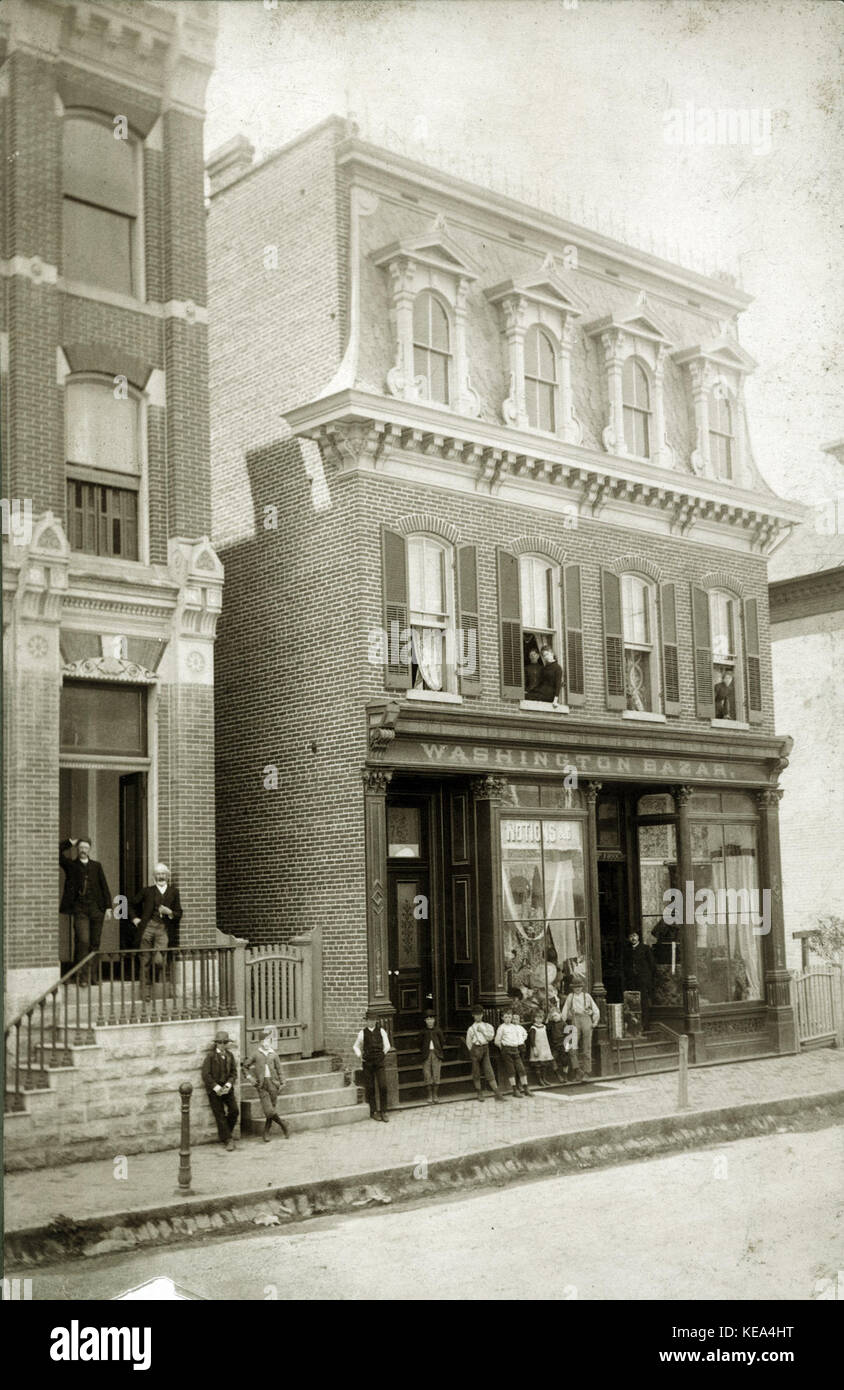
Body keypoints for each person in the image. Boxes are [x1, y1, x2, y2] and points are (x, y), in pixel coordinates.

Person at [58, 836, 114, 984]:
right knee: (83, 941)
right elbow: (56, 852)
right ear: (78, 849)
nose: (83, 850)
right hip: (80, 909)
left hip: (96, 909)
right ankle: (82, 977)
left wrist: (108, 907)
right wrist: (69, 842)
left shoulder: (96, 866)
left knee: (95, 943)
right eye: (81, 848)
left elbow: (104, 887)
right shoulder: (71, 865)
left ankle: (93, 976)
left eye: (86, 848)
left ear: (90, 849)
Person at [132, 864, 182, 997]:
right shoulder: (147, 891)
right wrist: (135, 919)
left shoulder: (174, 892)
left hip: (163, 929)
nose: (161, 876)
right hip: (148, 927)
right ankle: (145, 993)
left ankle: (152, 984)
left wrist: (170, 912)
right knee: (145, 960)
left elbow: (179, 913)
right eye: (158, 874)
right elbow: (131, 903)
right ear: (154, 876)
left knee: (159, 960)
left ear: (167, 876)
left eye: (163, 874)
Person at [245, 1027, 290, 1141]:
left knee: (271, 1111)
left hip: (273, 1084)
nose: (266, 1043)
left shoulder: (274, 1055)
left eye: (269, 1041)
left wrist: (282, 1082)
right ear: (260, 1042)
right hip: (262, 1085)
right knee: (268, 1110)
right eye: (264, 1041)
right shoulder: (256, 1054)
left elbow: (280, 1070)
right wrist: (250, 1077)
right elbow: (245, 1067)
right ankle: (283, 1124)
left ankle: (266, 1133)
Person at [201, 1030, 239, 1151]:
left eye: (225, 1042)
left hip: (227, 1089)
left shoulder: (230, 1055)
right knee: (220, 1114)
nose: (222, 1045)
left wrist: (228, 1085)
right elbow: (206, 1075)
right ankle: (228, 1139)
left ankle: (225, 1134)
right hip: (214, 1090)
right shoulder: (210, 1057)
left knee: (234, 1110)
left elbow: (234, 1073)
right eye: (220, 1042)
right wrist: (216, 1087)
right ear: (216, 1043)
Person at [353, 1008, 391, 1122]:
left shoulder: (382, 1031)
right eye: (369, 1020)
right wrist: (360, 1055)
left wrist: (382, 1054)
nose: (371, 1022)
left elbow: (387, 1045)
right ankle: (374, 1111)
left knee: (383, 1086)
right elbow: (355, 1046)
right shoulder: (362, 1033)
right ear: (366, 1021)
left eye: (373, 1020)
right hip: (368, 1063)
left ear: (376, 1021)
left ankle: (384, 1111)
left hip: (379, 1062)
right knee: (370, 1087)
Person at [561, 975, 601, 1082]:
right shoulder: (570, 996)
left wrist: (595, 1022)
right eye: (575, 987)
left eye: (579, 986)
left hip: (586, 1019)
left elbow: (596, 1009)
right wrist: (563, 1022)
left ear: (582, 987)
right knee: (572, 1047)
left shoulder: (587, 996)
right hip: (575, 1020)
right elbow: (565, 1009)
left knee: (586, 1047)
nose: (577, 988)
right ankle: (577, 1070)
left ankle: (587, 1071)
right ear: (572, 988)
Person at [465, 1003, 508, 1102]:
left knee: (489, 1070)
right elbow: (468, 1042)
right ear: (473, 1015)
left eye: (479, 1014)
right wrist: (473, 1051)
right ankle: (479, 1092)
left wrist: (483, 1031)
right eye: (476, 1014)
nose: (478, 1016)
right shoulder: (471, 1029)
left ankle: (497, 1093)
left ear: (482, 1015)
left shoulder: (487, 1026)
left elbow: (490, 1037)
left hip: (485, 1048)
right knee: (476, 1072)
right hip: (475, 1049)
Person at [494, 1009, 532, 1099]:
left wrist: (519, 1043)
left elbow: (521, 1036)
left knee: (521, 1069)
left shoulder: (514, 1027)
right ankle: (515, 1090)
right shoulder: (501, 1027)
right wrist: (503, 1048)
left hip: (516, 1049)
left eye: (509, 1017)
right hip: (506, 1050)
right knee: (511, 1071)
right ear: (502, 1018)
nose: (508, 1019)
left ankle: (526, 1088)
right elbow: (497, 1041)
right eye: (506, 1017)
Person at [624, 930, 656, 1031]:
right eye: (630, 936)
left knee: (644, 1002)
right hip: (631, 981)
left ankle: (645, 1024)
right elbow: (624, 966)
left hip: (643, 981)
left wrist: (648, 979)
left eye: (634, 936)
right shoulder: (627, 950)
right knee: (632, 1003)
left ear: (638, 937)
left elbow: (652, 966)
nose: (633, 938)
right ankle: (634, 1025)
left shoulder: (645, 948)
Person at [418, 1008, 446, 1104]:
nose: (430, 1021)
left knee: (436, 1074)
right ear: (425, 1021)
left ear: (434, 1020)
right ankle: (429, 1094)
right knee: (427, 1074)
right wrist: (424, 1051)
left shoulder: (438, 1030)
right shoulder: (423, 1032)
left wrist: (437, 1050)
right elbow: (419, 1043)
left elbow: (442, 1042)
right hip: (426, 1054)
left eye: (431, 1019)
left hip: (436, 1054)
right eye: (428, 1019)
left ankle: (435, 1094)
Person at [527, 1009, 555, 1087]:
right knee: (538, 1064)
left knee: (544, 1064)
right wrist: (534, 1049)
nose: (539, 1020)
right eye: (537, 1018)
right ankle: (539, 1080)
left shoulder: (544, 1026)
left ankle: (544, 1078)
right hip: (537, 1048)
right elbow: (532, 1040)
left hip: (544, 1047)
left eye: (540, 1018)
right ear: (534, 1018)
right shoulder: (533, 1028)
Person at [546, 1007, 570, 1083]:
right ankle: (558, 1075)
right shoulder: (551, 1024)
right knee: (552, 1059)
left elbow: (568, 1036)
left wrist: (567, 1047)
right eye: (553, 1016)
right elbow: (547, 1028)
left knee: (565, 1061)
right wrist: (548, 1019)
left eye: (555, 1015)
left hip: (562, 1045)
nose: (554, 1018)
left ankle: (565, 1076)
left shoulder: (564, 1024)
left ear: (560, 1014)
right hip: (555, 1046)